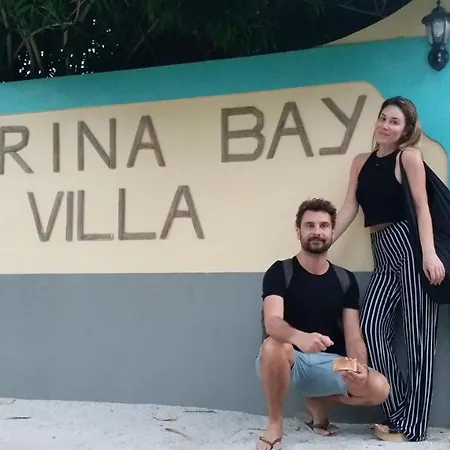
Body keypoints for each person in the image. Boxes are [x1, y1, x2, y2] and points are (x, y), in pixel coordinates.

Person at [332, 96, 445, 442]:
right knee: (370, 326)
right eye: (383, 118)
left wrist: (429, 254)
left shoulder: (408, 157)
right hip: (381, 251)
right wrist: (322, 244)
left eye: (394, 121)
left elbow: (422, 207)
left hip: (409, 247)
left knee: (418, 338)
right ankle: (397, 411)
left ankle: (414, 425)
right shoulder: (361, 162)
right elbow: (350, 206)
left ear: (406, 130)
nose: (385, 125)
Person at [256, 198, 390, 450]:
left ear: (331, 231)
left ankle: (318, 402)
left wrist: (360, 368)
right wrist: (299, 337)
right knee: (273, 346)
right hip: (291, 360)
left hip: (332, 363)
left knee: (379, 388)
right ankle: (274, 424)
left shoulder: (345, 279)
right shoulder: (280, 271)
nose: (317, 231)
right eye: (310, 225)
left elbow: (353, 336)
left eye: (323, 226)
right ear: (299, 231)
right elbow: (272, 322)